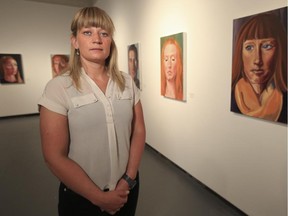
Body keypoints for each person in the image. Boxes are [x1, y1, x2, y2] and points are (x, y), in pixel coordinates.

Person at [38, 7, 146, 216]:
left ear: (110, 41)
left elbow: (139, 131)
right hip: (82, 198)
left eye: (104, 33)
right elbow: (54, 156)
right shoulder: (59, 87)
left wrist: (128, 179)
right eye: (88, 32)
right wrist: (99, 198)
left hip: (126, 190)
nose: (97, 39)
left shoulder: (126, 82)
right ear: (75, 41)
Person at [231, 11, 287, 124]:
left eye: (267, 46)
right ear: (240, 52)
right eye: (249, 47)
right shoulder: (232, 96)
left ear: (280, 51)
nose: (257, 60)